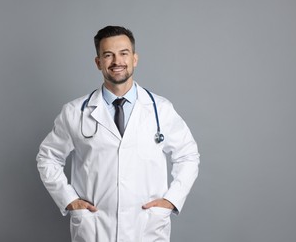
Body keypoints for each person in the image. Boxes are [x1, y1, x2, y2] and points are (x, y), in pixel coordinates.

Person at [36, 25, 200, 242]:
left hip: (147, 227)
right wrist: (69, 200)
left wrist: (172, 200)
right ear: (98, 63)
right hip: (94, 228)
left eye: (123, 53)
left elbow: (188, 155)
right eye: (108, 55)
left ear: (134, 59)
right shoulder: (75, 112)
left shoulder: (161, 109)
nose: (117, 62)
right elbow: (47, 158)